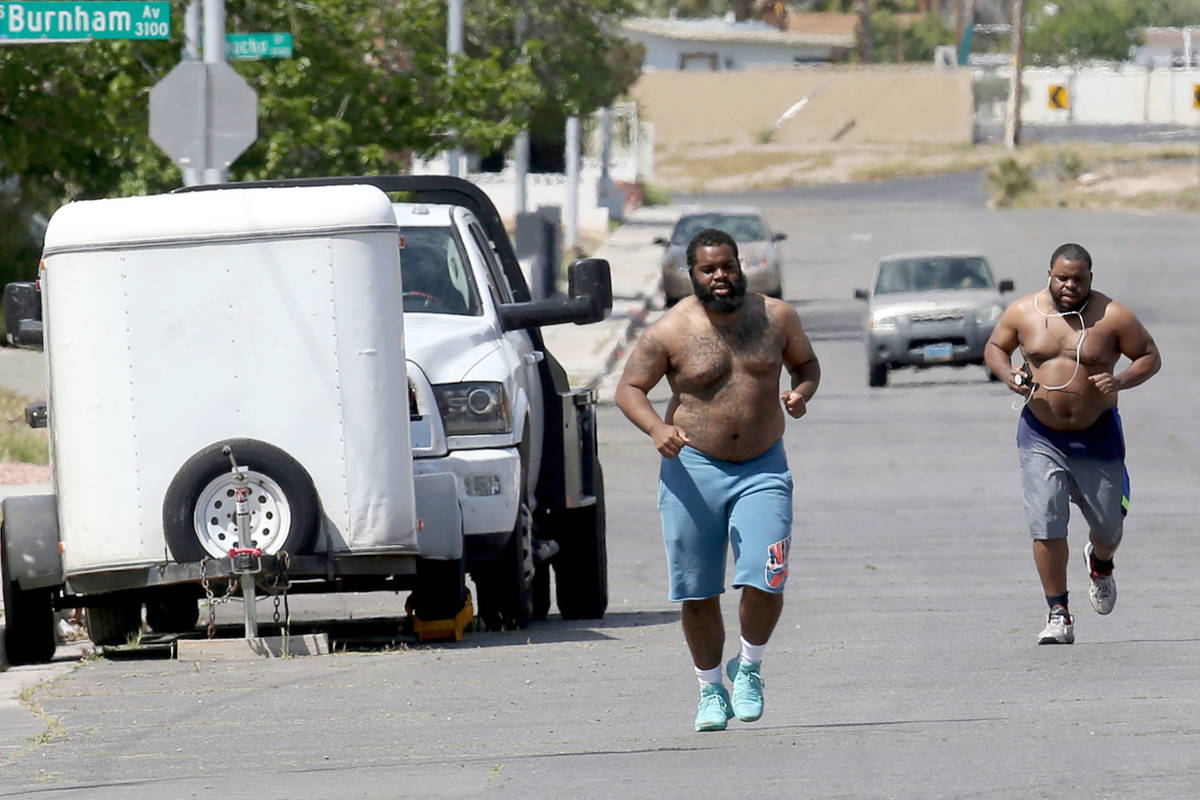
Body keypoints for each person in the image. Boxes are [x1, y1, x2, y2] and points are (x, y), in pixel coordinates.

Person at [615, 227, 820, 731]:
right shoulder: (669, 330)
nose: (721, 276)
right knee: (697, 590)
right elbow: (629, 389)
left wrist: (802, 391)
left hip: (762, 464)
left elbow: (807, 364)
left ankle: (748, 667)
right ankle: (710, 689)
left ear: (739, 265)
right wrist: (657, 427)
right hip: (693, 469)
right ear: (693, 274)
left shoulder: (777, 317)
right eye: (709, 269)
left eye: (728, 266)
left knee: (767, 576)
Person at [984, 242, 1161, 645]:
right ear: (1049, 274)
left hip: (1097, 433)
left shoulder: (1112, 315)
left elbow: (1149, 355)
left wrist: (1120, 380)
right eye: (1062, 277)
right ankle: (1058, 611)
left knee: (1108, 527)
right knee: (1046, 520)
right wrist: (1008, 374)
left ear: (1090, 279)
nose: (1069, 285)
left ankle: (1100, 563)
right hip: (1040, 433)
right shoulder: (1023, 312)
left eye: (1078, 279)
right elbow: (995, 347)